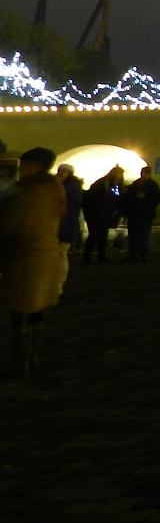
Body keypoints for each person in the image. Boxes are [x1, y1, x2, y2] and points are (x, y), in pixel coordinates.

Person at [0, 147, 66, 378]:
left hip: (23, 256)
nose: (22, 168)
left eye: (25, 164)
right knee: (37, 309)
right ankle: (33, 357)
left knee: (20, 310)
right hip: (46, 253)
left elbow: (11, 223)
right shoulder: (53, 187)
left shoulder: (26, 191)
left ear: (36, 165)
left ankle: (22, 363)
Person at [81, 166, 123, 263]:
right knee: (95, 234)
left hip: (106, 213)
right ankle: (87, 256)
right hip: (96, 212)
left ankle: (100, 255)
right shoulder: (103, 184)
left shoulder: (112, 184)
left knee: (102, 235)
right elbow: (95, 198)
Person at [121, 166, 160, 262]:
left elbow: (157, 198)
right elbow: (128, 198)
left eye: (146, 173)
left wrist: (146, 197)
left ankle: (143, 254)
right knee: (134, 235)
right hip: (135, 214)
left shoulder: (152, 185)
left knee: (144, 235)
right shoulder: (136, 184)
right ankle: (134, 254)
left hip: (145, 214)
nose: (144, 175)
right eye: (143, 173)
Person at [56, 164, 84, 254]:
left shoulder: (70, 187)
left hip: (66, 221)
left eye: (64, 171)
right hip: (60, 221)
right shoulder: (60, 184)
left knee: (61, 253)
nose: (61, 173)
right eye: (60, 171)